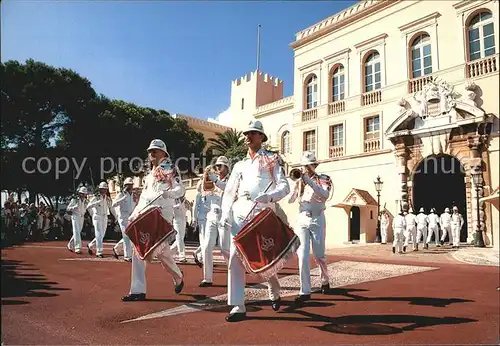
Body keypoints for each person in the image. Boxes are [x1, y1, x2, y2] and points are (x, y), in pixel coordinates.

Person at [219, 119, 290, 322]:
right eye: (246, 133)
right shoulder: (239, 165)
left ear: (261, 137)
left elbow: (284, 186)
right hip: (239, 212)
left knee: (264, 258)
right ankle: (238, 306)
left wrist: (269, 197)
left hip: (261, 214)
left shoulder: (272, 159)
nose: (248, 136)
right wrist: (225, 214)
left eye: (253, 133)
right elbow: (229, 193)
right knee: (235, 257)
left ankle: (274, 287)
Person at [121, 139, 185, 301]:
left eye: (155, 150)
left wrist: (168, 193)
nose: (152, 153)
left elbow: (180, 189)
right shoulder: (149, 175)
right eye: (150, 151)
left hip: (161, 215)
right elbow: (144, 198)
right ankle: (138, 290)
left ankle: (176, 277)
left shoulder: (169, 168)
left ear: (164, 153)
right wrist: (134, 214)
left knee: (158, 251)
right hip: (146, 215)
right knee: (143, 250)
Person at [288, 151, 332, 303]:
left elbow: (324, 195)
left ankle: (325, 280)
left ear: (315, 165)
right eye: (303, 166)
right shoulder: (301, 180)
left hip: (317, 218)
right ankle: (304, 290)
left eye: (308, 166)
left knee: (319, 255)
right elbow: (291, 200)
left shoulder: (324, 179)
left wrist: (309, 180)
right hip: (302, 218)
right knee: (303, 254)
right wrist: (296, 185)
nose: (305, 169)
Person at [200, 156, 231, 287]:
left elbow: (227, 188)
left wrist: (216, 180)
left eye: (220, 166)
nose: (218, 168)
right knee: (206, 247)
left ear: (227, 168)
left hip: (225, 217)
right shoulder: (213, 181)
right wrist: (205, 176)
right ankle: (207, 278)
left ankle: (234, 274)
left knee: (225, 249)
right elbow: (203, 190)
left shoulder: (230, 181)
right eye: (217, 166)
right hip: (212, 216)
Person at [87, 182, 117, 258]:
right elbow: (88, 206)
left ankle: (90, 245)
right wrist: (96, 203)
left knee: (102, 235)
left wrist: (116, 217)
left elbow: (111, 208)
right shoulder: (95, 197)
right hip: (97, 216)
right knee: (98, 234)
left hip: (104, 217)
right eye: (103, 189)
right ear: (100, 189)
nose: (104, 190)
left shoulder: (108, 199)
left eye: (105, 189)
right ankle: (99, 252)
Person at [112, 177, 135, 262]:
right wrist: (122, 198)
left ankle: (116, 248)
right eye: (128, 185)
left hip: (131, 218)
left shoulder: (133, 195)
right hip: (123, 217)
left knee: (130, 236)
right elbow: (114, 204)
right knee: (126, 236)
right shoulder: (120, 194)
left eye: (131, 185)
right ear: (125, 186)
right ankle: (127, 256)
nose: (130, 187)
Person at [66, 186, 88, 254]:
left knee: (78, 231)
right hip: (75, 216)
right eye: (82, 193)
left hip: (81, 217)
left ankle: (70, 243)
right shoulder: (74, 200)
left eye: (84, 194)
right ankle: (77, 247)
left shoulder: (86, 201)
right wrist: (73, 207)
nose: (83, 195)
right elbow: (68, 208)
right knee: (76, 231)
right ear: (79, 193)